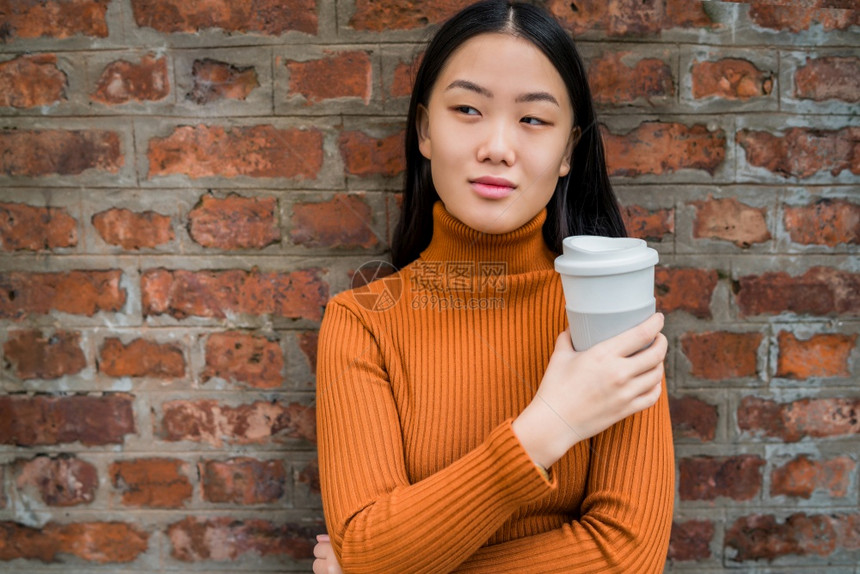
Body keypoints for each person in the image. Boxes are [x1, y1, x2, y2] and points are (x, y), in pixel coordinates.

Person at [313, 1, 673, 572]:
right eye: (467, 109)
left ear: (568, 152)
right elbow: (367, 546)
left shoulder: (608, 314)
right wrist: (550, 424)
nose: (498, 147)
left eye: (533, 119)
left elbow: (627, 556)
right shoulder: (364, 323)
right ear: (426, 130)